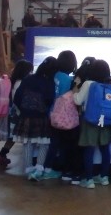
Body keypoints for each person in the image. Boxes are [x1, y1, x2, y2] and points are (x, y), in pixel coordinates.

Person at [72, 59, 111, 189]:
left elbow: (78, 101)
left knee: (89, 149)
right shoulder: (110, 86)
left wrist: (75, 88)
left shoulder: (88, 84)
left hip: (90, 120)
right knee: (105, 148)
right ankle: (104, 177)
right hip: (106, 120)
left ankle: (89, 179)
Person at [12, 56, 57, 181]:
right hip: (41, 117)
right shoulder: (49, 82)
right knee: (44, 143)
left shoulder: (28, 78)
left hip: (25, 116)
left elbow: (17, 97)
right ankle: (39, 169)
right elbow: (50, 99)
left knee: (27, 143)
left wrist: (23, 109)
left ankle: (28, 168)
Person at [0, 59, 33, 171]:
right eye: (29, 71)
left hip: (2, 112)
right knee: (12, 137)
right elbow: (19, 101)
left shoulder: (9, 81)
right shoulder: (20, 83)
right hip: (13, 115)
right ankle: (1, 156)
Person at [41, 50, 79, 180]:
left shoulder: (54, 75)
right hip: (62, 115)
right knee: (64, 143)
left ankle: (47, 167)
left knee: (53, 143)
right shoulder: (68, 80)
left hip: (50, 113)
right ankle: (60, 168)